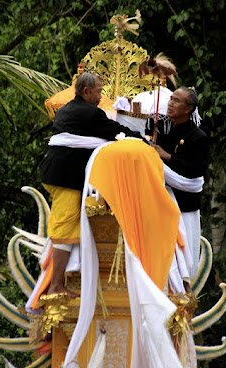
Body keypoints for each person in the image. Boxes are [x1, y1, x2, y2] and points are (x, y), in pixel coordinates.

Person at [40, 71, 144, 296]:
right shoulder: (89, 113)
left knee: (67, 227)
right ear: (86, 91)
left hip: (57, 174)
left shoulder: (67, 109)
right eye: (98, 91)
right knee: (64, 230)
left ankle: (62, 280)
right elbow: (117, 133)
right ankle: (56, 285)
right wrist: (144, 140)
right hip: (65, 178)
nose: (100, 95)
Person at [147, 87, 209, 281]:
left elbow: (196, 171)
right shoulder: (163, 131)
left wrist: (167, 156)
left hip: (184, 204)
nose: (171, 103)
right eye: (171, 99)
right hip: (162, 203)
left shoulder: (198, 137)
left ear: (188, 108)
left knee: (183, 256)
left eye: (176, 101)